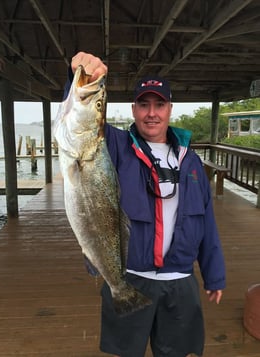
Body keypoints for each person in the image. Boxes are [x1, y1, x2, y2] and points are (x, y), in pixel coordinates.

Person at [63, 52, 226, 357]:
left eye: (159, 104)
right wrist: (82, 76)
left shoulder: (191, 162)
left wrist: (214, 274)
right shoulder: (113, 145)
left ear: (170, 109)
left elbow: (206, 223)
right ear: (133, 109)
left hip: (180, 281)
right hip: (129, 276)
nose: (152, 113)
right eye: (144, 104)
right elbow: (81, 124)